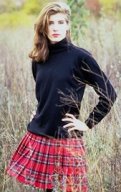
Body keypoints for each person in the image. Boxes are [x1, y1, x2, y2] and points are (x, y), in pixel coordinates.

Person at [6, 2, 117, 192]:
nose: (56, 27)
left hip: (66, 138)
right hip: (39, 133)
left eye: (60, 22)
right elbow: (45, 92)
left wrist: (88, 123)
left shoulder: (80, 57)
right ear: (43, 27)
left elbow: (109, 94)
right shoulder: (39, 57)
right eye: (50, 23)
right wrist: (40, 110)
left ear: (68, 25)